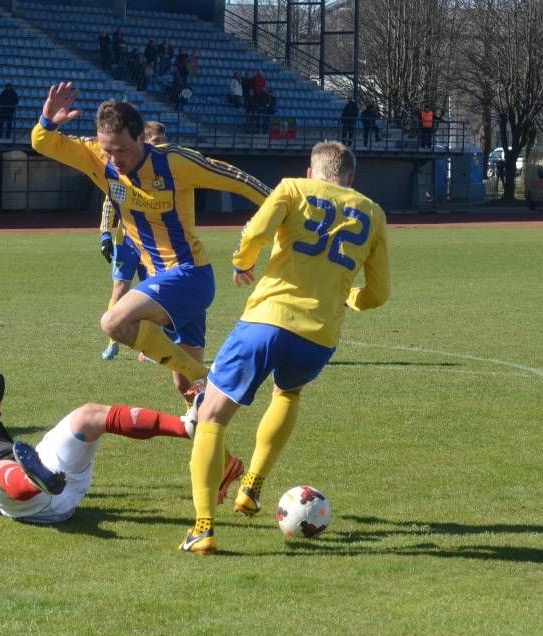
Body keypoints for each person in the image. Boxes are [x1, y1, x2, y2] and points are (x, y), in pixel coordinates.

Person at [179, 141, 390, 555]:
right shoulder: (373, 211)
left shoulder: (292, 188)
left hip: (268, 320)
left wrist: (243, 260)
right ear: (350, 178)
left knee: (211, 417)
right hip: (320, 337)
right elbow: (378, 293)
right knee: (288, 392)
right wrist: (350, 299)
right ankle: (253, 484)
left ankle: (203, 527)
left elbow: (256, 231)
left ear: (312, 171)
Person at [32, 84, 270, 405]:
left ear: (141, 136)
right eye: (108, 150)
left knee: (113, 321)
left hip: (190, 275)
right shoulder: (97, 156)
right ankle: (214, 443)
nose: (114, 159)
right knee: (187, 391)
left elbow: (236, 178)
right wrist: (48, 122)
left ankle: (202, 373)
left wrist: (283, 208)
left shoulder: (174, 163)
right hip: (161, 282)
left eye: (122, 150)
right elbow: (43, 143)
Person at [0, 373, 243, 521]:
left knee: (88, 415)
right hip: (28, 505)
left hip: (56, 474)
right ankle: (32, 479)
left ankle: (189, 426)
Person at [99, 120, 166, 362]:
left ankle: (149, 346)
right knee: (120, 289)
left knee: (153, 294)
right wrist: (105, 232)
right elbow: (110, 201)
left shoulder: (166, 170)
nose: (160, 146)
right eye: (156, 142)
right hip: (125, 242)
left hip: (153, 243)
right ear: (143, 141)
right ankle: (112, 341)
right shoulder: (124, 170)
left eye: (163, 142)